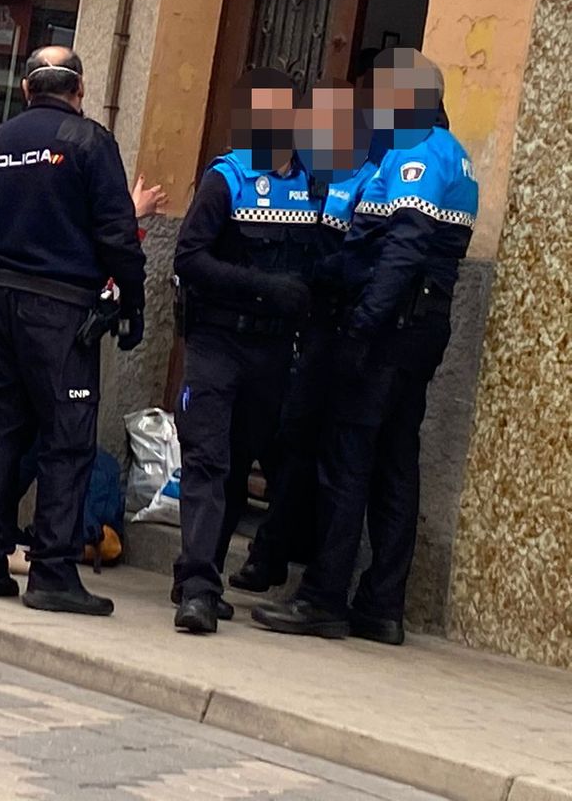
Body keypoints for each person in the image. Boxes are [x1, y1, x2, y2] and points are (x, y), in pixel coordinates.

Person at [255, 49, 476, 644]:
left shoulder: (419, 153)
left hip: (391, 329)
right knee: (394, 464)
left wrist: (361, 328)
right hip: (416, 328)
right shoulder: (448, 151)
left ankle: (324, 598)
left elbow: (402, 251)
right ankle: (381, 605)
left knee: (347, 462)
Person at [0, 47, 146, 615]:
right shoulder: (89, 142)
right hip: (62, 313)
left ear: (26, 89)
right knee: (66, 440)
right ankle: (53, 573)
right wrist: (131, 303)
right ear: (79, 89)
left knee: (0, 435)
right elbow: (116, 234)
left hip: (4, 304)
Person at [169, 70, 319, 634]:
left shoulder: (311, 184)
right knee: (208, 459)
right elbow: (188, 257)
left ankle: (193, 573)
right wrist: (261, 288)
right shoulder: (226, 179)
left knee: (238, 462)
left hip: (273, 352)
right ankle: (201, 592)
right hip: (217, 342)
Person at [0, 176, 166, 562]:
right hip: (30, 315)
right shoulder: (48, 174)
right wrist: (130, 217)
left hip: (13, 311)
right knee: (1, 426)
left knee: (16, 425)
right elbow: (77, 246)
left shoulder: (26, 160)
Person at [229, 80, 380, 592]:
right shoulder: (307, 175)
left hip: (332, 328)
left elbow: (358, 258)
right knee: (283, 439)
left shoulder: (367, 179)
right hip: (293, 329)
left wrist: (314, 279)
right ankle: (272, 551)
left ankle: (276, 554)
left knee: (305, 445)